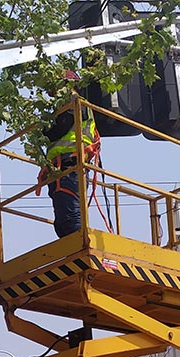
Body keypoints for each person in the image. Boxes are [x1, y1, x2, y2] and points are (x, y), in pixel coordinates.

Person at [40, 78, 101, 238]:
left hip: (71, 163)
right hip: (61, 166)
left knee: (70, 216)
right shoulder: (68, 105)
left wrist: (44, 129)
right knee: (62, 219)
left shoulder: (73, 101)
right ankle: (71, 242)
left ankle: (78, 241)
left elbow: (58, 129)